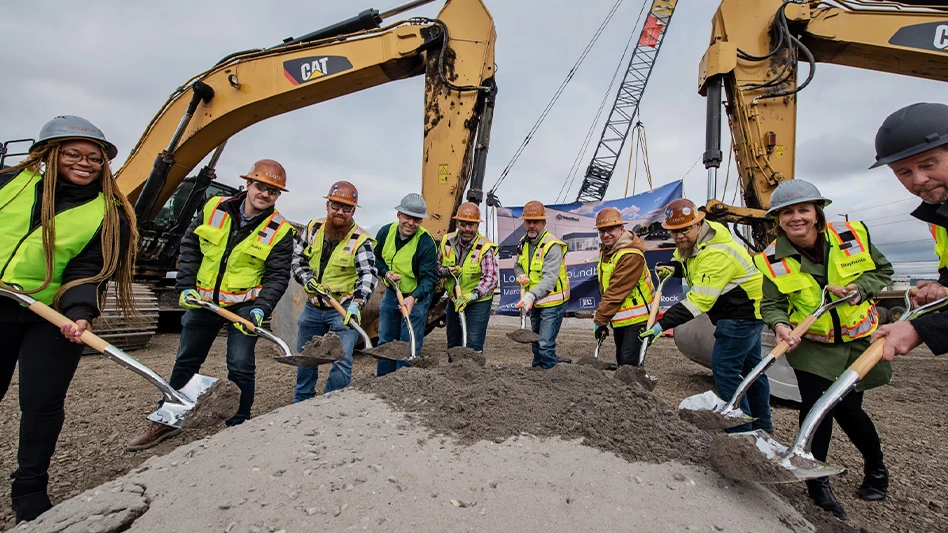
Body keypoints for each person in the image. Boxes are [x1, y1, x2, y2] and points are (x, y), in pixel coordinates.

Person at [0, 116, 136, 522]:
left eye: (94, 157)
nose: (85, 162)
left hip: (51, 314)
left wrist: (79, 314)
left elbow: (90, 270)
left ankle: (29, 487)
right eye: (74, 153)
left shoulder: (108, 214)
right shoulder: (10, 183)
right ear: (49, 153)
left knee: (41, 404)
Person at [127, 159, 295, 450]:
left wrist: (261, 308)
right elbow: (190, 246)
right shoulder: (214, 207)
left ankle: (238, 423)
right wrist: (186, 286)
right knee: (187, 360)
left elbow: (278, 275)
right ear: (248, 184)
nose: (265, 194)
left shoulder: (280, 229)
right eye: (260, 186)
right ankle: (167, 420)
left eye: (273, 191)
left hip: (245, 304)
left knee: (241, 365)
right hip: (204, 301)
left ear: (277, 195)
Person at [755, 180, 893, 519]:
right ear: (779, 220)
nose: (796, 218)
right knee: (817, 408)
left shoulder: (852, 236)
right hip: (813, 347)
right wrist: (780, 325)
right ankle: (817, 484)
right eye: (787, 213)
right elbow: (771, 304)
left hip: (859, 342)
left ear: (817, 213)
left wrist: (860, 288)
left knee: (849, 411)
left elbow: (883, 272)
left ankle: (876, 468)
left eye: (803, 210)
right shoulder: (771, 259)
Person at [640, 199, 772, 434]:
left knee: (724, 366)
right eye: (674, 231)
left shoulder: (717, 253)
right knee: (753, 369)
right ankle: (762, 424)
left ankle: (741, 429)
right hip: (741, 310)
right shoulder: (693, 243)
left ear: (698, 224)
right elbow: (684, 260)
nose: (679, 236)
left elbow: (700, 300)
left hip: (742, 313)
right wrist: (673, 267)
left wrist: (663, 324)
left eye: (684, 230)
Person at [868, 102, 948, 360]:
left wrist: (920, 329)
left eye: (928, 165)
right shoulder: (938, 215)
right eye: (904, 172)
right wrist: (940, 288)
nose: (918, 180)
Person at [292, 181, 377, 400]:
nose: (340, 212)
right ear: (327, 205)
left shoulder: (361, 240)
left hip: (343, 308)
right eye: (335, 206)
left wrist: (357, 305)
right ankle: (302, 399)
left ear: (353, 211)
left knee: (342, 359)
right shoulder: (312, 228)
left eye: (346, 208)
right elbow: (298, 259)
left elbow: (368, 275)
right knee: (306, 355)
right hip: (313, 306)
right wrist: (307, 279)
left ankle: (332, 402)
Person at [375, 193, 438, 375]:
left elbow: (429, 279)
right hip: (391, 294)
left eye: (417, 220)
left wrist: (413, 298)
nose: (411, 223)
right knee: (386, 339)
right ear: (399, 215)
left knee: (408, 343)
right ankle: (383, 382)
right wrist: (385, 272)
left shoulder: (425, 242)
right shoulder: (385, 233)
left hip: (416, 298)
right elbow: (377, 258)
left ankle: (404, 384)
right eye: (408, 217)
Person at [513, 201, 570, 369]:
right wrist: (520, 274)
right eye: (528, 222)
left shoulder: (552, 246)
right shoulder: (523, 242)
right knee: (535, 341)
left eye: (536, 222)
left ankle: (549, 374)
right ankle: (537, 370)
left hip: (553, 301)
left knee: (545, 343)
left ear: (544, 223)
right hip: (536, 301)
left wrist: (530, 295)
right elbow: (518, 265)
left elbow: (549, 280)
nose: (532, 226)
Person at [593, 207, 652, 368]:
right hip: (621, 318)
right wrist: (604, 320)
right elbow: (605, 288)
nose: (606, 234)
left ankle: (633, 393)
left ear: (621, 229)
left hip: (638, 318)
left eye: (610, 229)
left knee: (628, 362)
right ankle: (625, 391)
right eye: (602, 231)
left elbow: (616, 291)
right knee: (621, 359)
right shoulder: (608, 251)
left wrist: (600, 319)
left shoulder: (630, 255)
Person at [437, 202, 498, 356]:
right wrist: (447, 271)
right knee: (453, 341)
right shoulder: (446, 242)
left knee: (473, 343)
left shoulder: (484, 247)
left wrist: (473, 295)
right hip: (454, 300)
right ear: (457, 223)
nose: (467, 229)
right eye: (463, 224)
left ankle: (473, 377)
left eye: (472, 225)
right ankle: (453, 374)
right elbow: (435, 268)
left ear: (477, 226)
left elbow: (490, 278)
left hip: (478, 302)